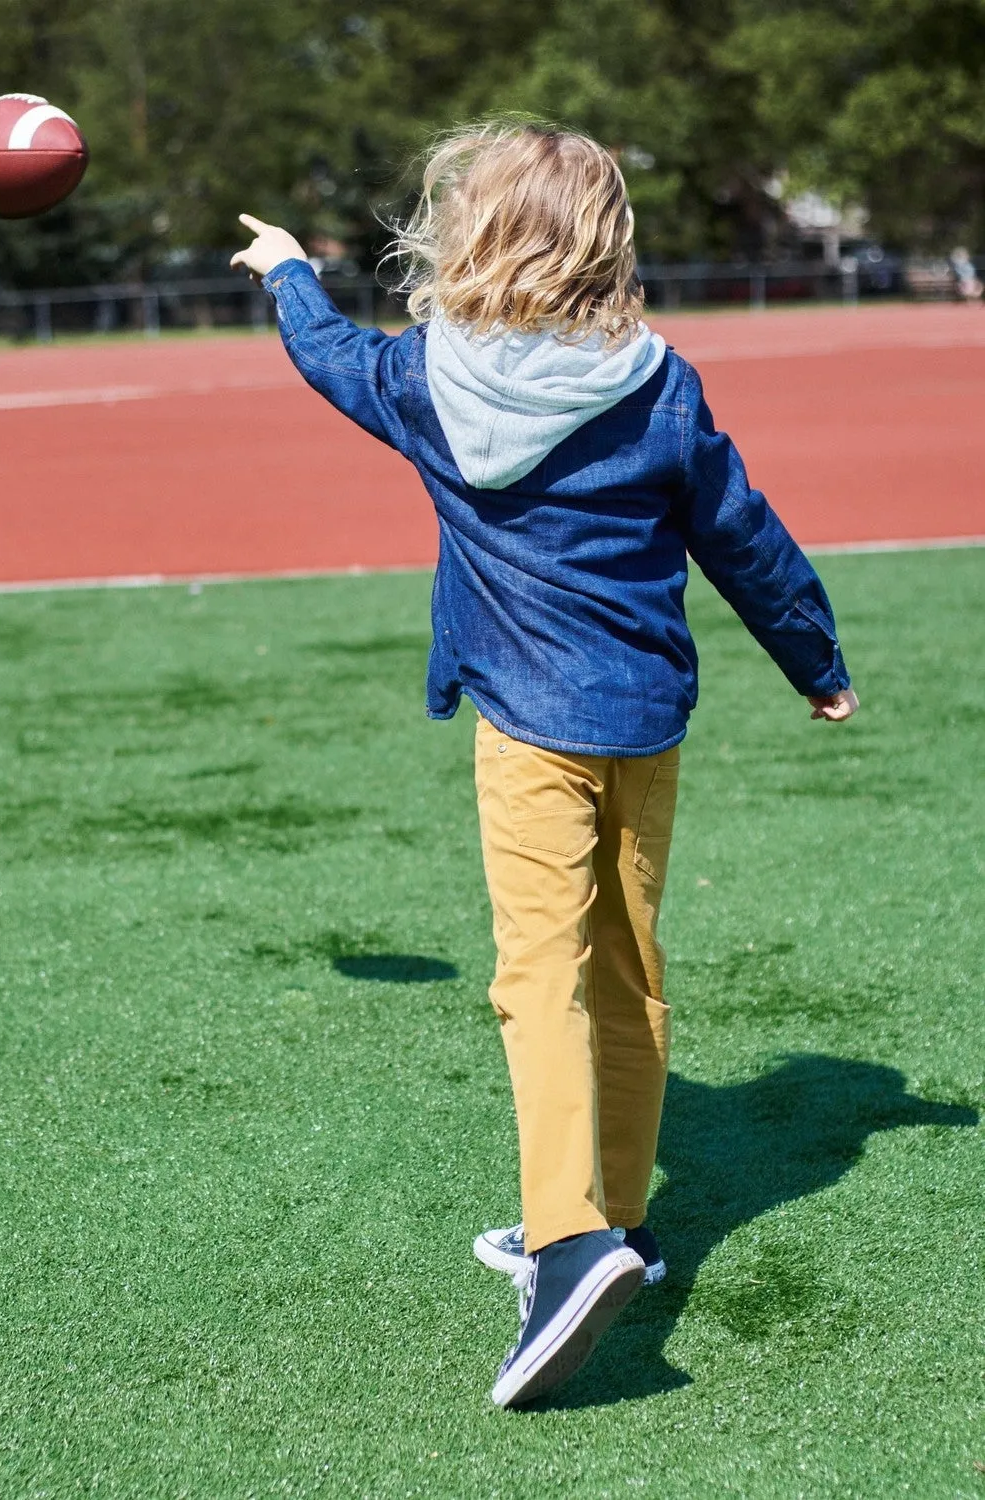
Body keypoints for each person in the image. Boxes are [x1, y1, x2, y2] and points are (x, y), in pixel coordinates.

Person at [232, 121, 857, 1408]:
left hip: (530, 725)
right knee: (627, 974)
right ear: (603, 242)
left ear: (477, 232)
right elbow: (743, 531)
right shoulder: (658, 378)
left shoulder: (424, 379)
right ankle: (611, 1222)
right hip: (645, 722)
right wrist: (817, 661)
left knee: (539, 982)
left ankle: (567, 1243)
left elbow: (330, 356)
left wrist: (290, 267)